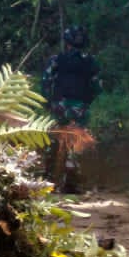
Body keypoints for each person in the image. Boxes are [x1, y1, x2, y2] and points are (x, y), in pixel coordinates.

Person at [41, 26, 102, 191]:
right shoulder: (91, 62)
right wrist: (86, 103)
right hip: (80, 108)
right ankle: (72, 181)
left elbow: (46, 82)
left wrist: (49, 102)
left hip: (59, 106)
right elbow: (97, 87)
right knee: (77, 142)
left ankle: (46, 177)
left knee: (54, 138)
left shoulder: (56, 59)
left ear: (66, 42)